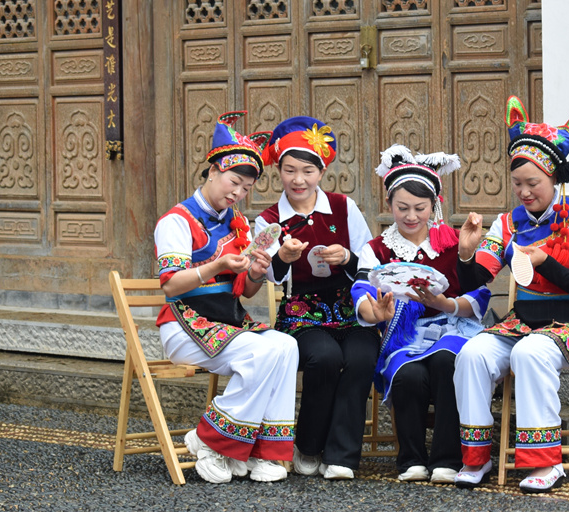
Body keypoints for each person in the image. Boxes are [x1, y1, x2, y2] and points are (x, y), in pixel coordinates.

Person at [453, 97, 569, 493]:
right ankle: (475, 458)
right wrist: (466, 252)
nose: (523, 191)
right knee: (472, 353)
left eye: (532, 183)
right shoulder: (507, 223)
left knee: (530, 352)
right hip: (523, 322)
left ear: (554, 178)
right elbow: (476, 280)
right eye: (517, 183)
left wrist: (545, 262)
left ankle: (545, 462)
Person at [154, 111, 298, 484]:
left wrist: (256, 271)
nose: (237, 193)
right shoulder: (177, 221)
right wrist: (217, 265)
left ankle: (266, 452)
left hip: (227, 323)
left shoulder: (239, 224)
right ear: (214, 171)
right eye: (234, 182)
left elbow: (246, 290)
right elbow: (170, 286)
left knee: (286, 346)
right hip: (185, 326)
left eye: (246, 188)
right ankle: (213, 442)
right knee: (262, 352)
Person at [352, 145, 491, 484]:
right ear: (389, 204)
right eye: (402, 208)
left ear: (434, 205)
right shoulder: (376, 249)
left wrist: (446, 303)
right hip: (405, 332)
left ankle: (447, 458)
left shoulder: (454, 242)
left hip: (455, 327)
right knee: (409, 376)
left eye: (420, 208)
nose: (411, 216)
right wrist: (376, 312)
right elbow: (361, 291)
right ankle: (411, 460)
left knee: (447, 363)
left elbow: (478, 292)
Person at [255, 116, 374, 481]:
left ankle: (341, 456)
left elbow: (370, 261)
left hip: (350, 307)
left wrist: (348, 258)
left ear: (321, 172)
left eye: (308, 171)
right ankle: (308, 446)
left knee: (361, 355)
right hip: (300, 311)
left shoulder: (343, 207)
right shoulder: (268, 220)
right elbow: (265, 274)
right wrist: (282, 257)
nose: (298, 180)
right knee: (324, 357)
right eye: (289, 170)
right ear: (278, 171)